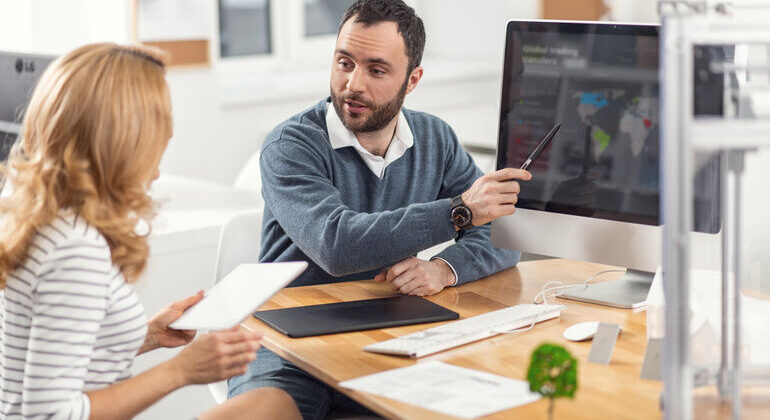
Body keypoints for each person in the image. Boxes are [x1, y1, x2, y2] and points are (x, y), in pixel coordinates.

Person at [228, 1, 531, 418]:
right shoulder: (291, 146)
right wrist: (458, 211)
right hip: (288, 345)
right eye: (344, 62)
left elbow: (502, 232)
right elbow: (336, 245)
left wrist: (444, 269)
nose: (353, 84)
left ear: (412, 80)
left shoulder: (435, 138)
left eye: (376, 69)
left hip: (390, 334)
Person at [0, 43, 300, 420]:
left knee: (270, 403)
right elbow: (48, 415)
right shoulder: (76, 249)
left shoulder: (50, 219)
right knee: (272, 406)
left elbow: (59, 354)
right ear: (122, 139)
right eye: (158, 133)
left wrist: (150, 334)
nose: (160, 158)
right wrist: (181, 370)